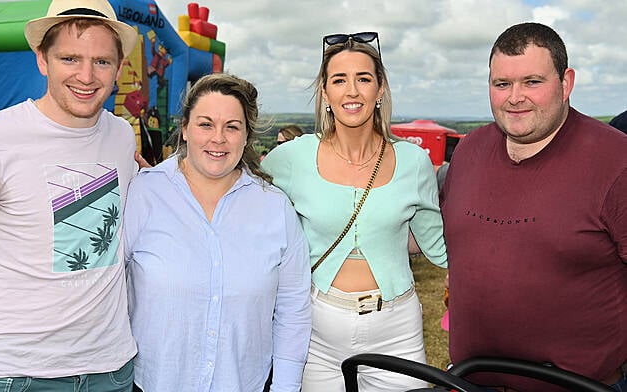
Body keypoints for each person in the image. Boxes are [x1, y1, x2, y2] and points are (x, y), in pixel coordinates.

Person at [0, 0, 140, 390]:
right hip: (16, 373)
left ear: (119, 67)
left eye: (102, 62)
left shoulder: (121, 137)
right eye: (70, 58)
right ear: (42, 60)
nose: (87, 76)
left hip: (111, 369)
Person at [440, 22, 626, 392]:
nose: (515, 97)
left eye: (532, 82)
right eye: (502, 84)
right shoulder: (470, 151)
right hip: (470, 381)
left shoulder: (616, 161)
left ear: (566, 82)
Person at [262, 32, 447, 391]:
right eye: (339, 80)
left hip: (397, 330)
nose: (352, 91)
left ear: (380, 90)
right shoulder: (289, 159)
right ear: (325, 93)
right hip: (317, 331)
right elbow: (243, 199)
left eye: (363, 79)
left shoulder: (414, 161)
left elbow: (438, 245)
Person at [125, 73, 311, 392]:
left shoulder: (275, 209)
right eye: (206, 124)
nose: (218, 139)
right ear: (184, 128)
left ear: (246, 135)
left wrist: (286, 387)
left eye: (232, 127)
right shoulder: (143, 193)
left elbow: (293, 309)